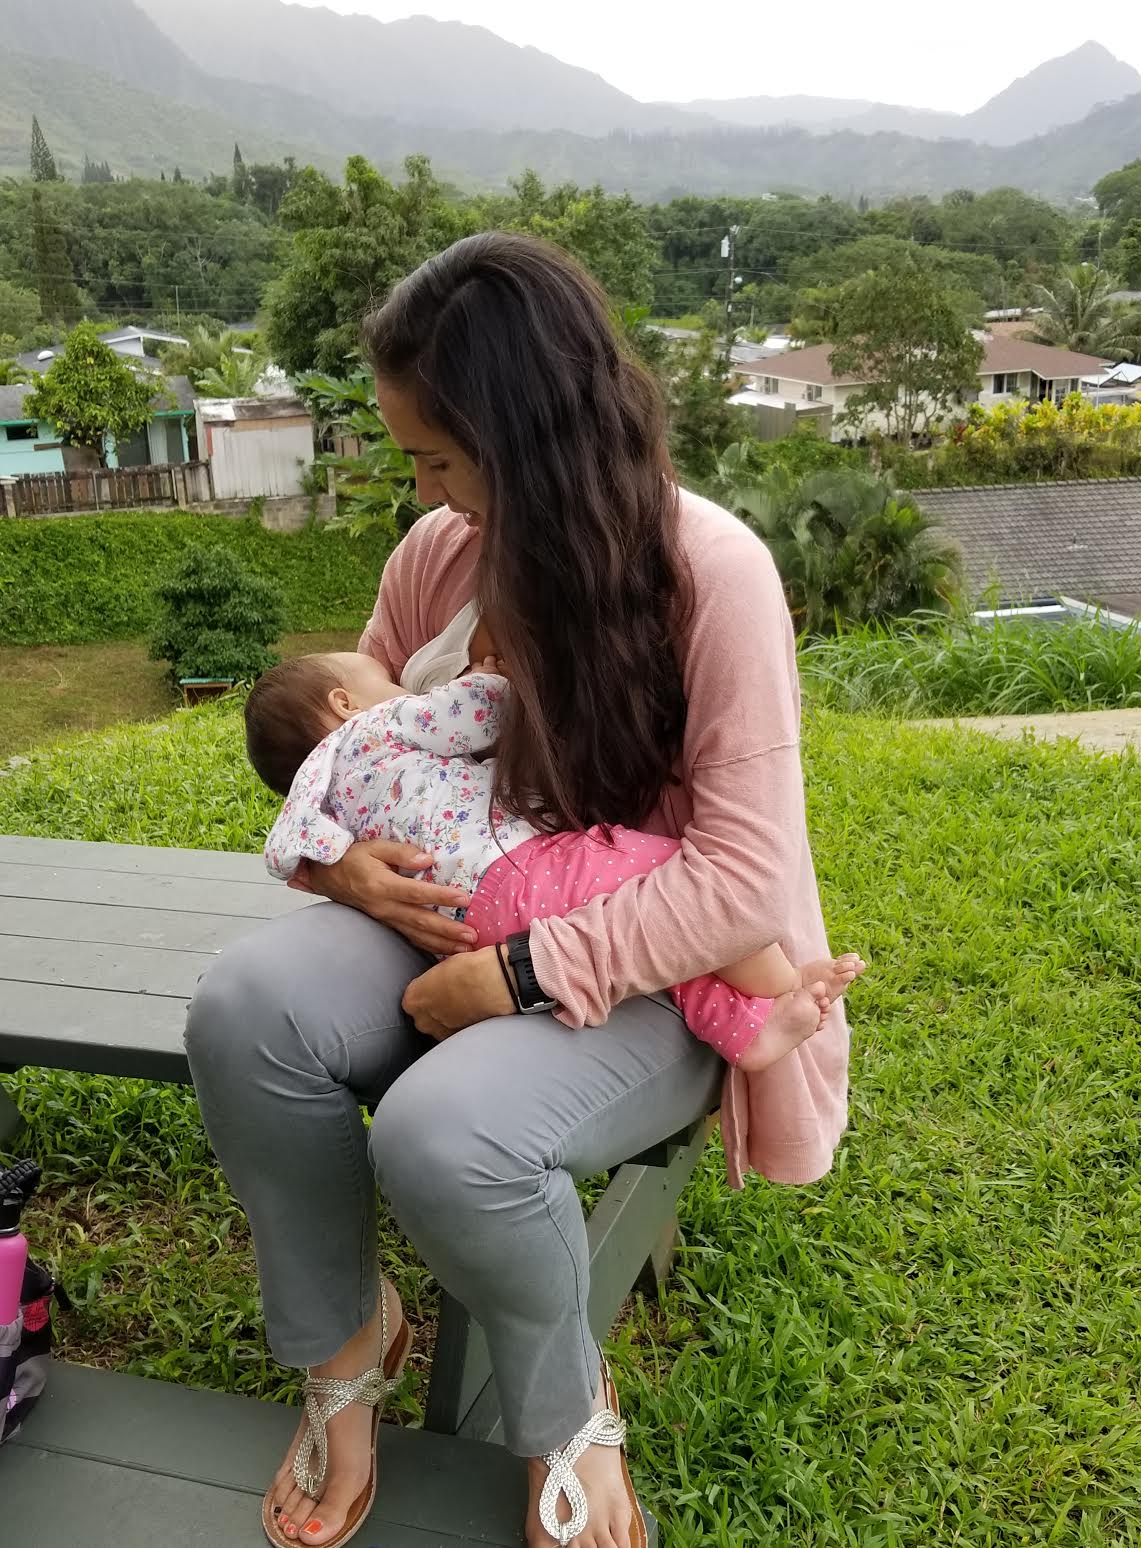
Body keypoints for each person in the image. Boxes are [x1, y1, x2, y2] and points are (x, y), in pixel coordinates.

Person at [183, 231, 851, 1548]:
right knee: (245, 1006)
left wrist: (523, 976)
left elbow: (746, 878)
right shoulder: (437, 560)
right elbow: (347, 755)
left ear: (528, 438)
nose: (424, 490)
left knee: (448, 1134)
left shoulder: (708, 577)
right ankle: (343, 1349)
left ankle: (564, 1415)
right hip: (458, 908)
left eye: (437, 456)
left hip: (664, 968)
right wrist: (344, 870)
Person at [244, 651, 865, 1071]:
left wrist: (339, 867)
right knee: (666, 877)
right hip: (520, 869)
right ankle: (778, 979)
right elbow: (477, 714)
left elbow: (286, 860)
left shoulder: (314, 795)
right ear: (346, 702)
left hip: (466, 930)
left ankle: (749, 1031)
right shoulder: (377, 727)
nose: (401, 687)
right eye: (384, 678)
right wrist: (490, 676)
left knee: (663, 954)